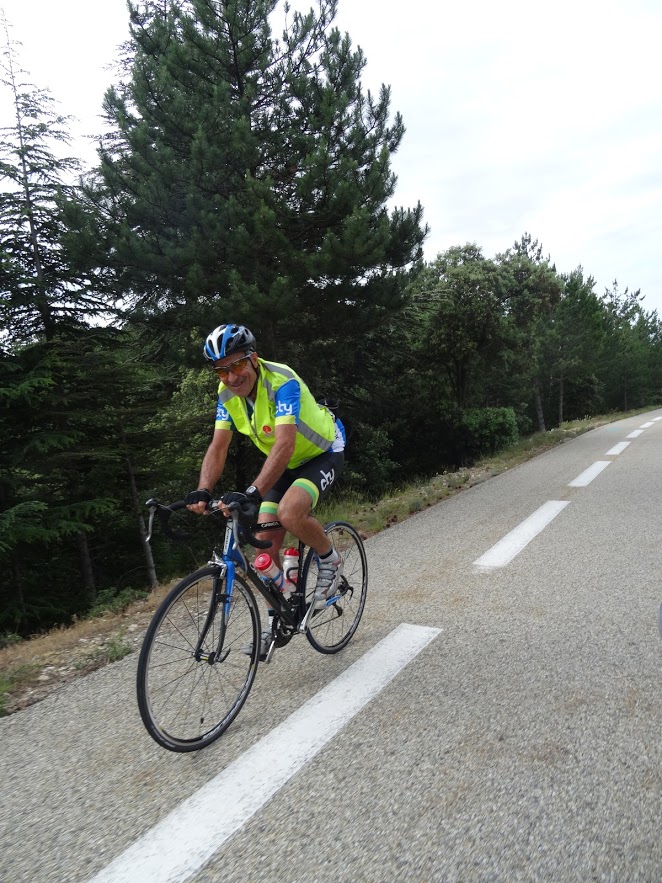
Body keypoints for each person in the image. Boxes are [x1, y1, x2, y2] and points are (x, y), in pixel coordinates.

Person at [184, 323, 346, 658]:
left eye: (236, 366)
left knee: (289, 513)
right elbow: (218, 447)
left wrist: (254, 491)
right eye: (221, 370)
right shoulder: (226, 395)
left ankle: (330, 559)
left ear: (253, 359)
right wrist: (202, 490)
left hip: (323, 451)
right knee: (264, 551)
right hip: (284, 464)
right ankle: (280, 620)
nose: (230, 377)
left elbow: (285, 444)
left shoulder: (281, 382)